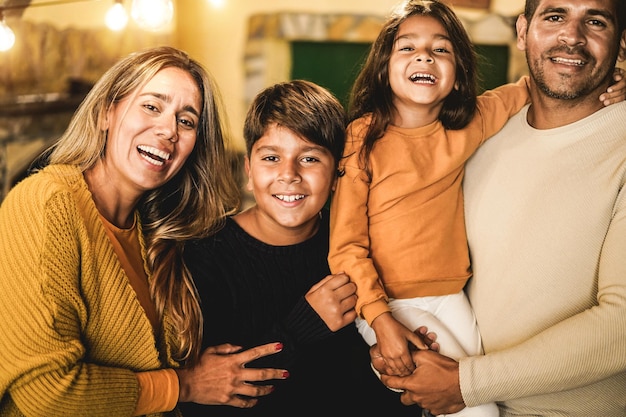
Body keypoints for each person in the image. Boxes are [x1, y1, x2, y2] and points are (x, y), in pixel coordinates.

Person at [0, 46, 288, 417]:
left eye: (186, 121)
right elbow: (48, 394)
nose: (168, 130)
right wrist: (186, 385)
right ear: (107, 112)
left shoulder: (158, 232)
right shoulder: (45, 203)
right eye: (151, 106)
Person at [372, 0, 626, 416]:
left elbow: (621, 326)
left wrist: (467, 384)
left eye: (596, 21)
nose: (572, 37)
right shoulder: (480, 134)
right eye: (555, 16)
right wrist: (395, 340)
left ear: (620, 41)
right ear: (523, 31)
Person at [178, 80, 422, 416]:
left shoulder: (359, 251)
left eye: (308, 158)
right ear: (249, 171)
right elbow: (215, 394)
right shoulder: (204, 255)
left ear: (338, 174)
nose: (289, 174)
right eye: (271, 157)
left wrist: (396, 360)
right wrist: (302, 327)